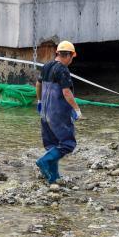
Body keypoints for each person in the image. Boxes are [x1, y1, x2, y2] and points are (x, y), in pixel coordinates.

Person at [34, 41, 83, 184]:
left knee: (52, 145)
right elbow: (66, 92)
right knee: (68, 144)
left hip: (45, 112)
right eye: (72, 57)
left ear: (57, 53)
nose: (72, 60)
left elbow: (38, 84)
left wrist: (39, 101)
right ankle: (43, 162)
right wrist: (77, 109)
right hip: (58, 114)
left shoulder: (47, 66)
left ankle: (53, 178)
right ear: (69, 55)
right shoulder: (63, 70)